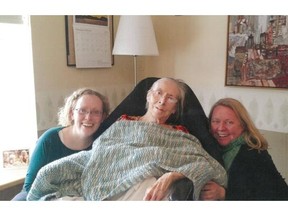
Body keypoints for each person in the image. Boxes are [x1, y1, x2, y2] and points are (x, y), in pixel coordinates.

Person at [26, 78, 227, 201]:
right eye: (158, 93)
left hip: (142, 188)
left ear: (175, 108)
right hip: (107, 179)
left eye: (171, 98)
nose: (162, 100)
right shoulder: (123, 124)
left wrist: (173, 175)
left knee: (147, 182)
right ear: (148, 96)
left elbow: (208, 166)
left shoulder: (181, 134)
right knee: (48, 173)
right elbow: (101, 152)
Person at [12, 88, 110, 200]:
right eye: (82, 110)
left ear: (103, 117)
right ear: (72, 113)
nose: (88, 117)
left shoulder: (104, 144)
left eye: (96, 112)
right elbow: (29, 186)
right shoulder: (49, 139)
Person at [200, 98, 288, 200]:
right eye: (215, 121)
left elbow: (276, 196)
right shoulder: (208, 148)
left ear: (243, 125)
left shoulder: (254, 154)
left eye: (229, 122)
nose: (220, 128)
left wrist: (224, 194)